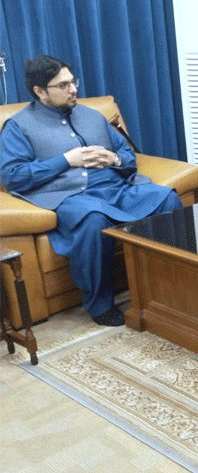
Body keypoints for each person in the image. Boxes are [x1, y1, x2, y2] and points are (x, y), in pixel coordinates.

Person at [0, 55, 183, 326]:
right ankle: (99, 304)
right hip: (70, 197)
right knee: (93, 219)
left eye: (72, 82)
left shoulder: (93, 116)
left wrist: (115, 159)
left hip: (116, 187)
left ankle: (170, 286)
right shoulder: (18, 127)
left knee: (166, 198)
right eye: (62, 86)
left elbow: (127, 154)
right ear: (40, 92)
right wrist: (65, 160)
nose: (73, 89)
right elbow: (14, 176)